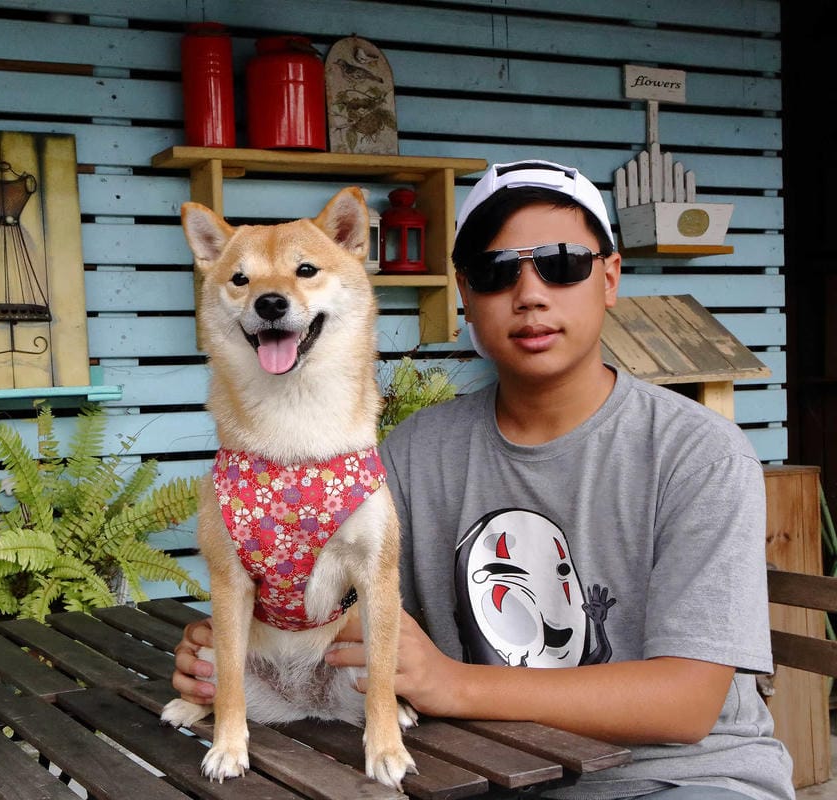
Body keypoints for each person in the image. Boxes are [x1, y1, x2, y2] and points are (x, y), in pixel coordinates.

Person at [171, 159, 795, 800]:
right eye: (499, 272)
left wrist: (451, 683)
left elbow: (687, 705)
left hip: (679, 779)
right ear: (465, 296)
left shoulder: (699, 454)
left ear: (609, 277)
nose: (530, 294)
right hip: (478, 769)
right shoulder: (413, 452)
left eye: (562, 263)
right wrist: (236, 654)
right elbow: (348, 611)